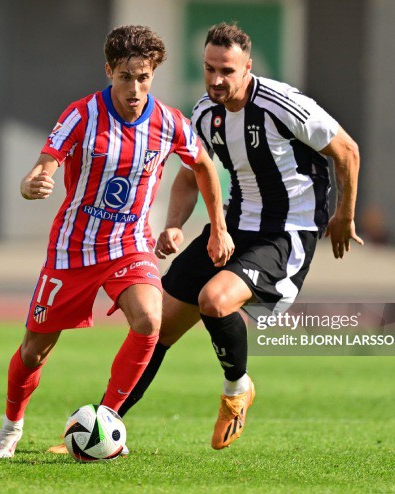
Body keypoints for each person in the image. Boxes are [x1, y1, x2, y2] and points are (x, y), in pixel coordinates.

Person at [0, 25, 234, 459]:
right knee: (34, 351)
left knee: (149, 321)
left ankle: (108, 418)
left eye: (143, 77)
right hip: (73, 251)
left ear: (153, 73)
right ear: (109, 71)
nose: (135, 88)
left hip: (130, 246)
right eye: (125, 77)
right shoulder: (82, 114)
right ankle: (11, 426)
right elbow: (45, 165)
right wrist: (33, 182)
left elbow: (204, 167)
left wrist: (215, 227)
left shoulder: (169, 121)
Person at [115, 22, 363, 450]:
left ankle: (237, 390)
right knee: (152, 328)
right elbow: (192, 176)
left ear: (247, 67)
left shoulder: (283, 104)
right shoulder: (204, 113)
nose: (216, 79)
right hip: (231, 228)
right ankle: (106, 423)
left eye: (227, 70)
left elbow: (347, 150)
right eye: (210, 68)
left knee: (215, 300)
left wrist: (344, 215)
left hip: (286, 233)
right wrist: (174, 223)